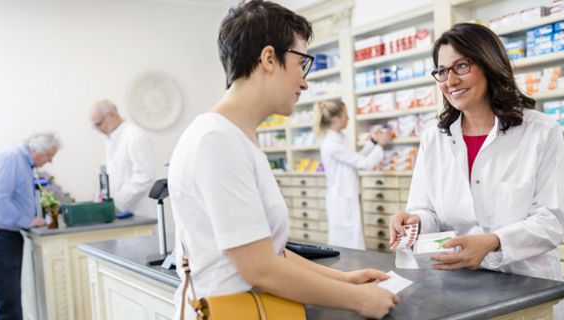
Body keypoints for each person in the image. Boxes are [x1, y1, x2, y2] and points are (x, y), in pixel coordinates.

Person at [168, 1, 399, 319]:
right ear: (268, 58)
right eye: (301, 62)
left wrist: (346, 279)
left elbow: (271, 253)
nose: (304, 81)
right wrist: (358, 299)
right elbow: (260, 269)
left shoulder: (238, 138)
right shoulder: (216, 140)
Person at [389, 23, 564, 281]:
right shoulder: (434, 138)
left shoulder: (541, 131)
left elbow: (552, 220)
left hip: (528, 283)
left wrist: (494, 242)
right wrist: (415, 221)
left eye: (461, 66)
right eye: (442, 71)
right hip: (457, 280)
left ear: (490, 64)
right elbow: (429, 212)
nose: (451, 81)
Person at [0, 132, 59, 320]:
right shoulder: (12, 158)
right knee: (6, 304)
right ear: (37, 150)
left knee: (5, 301)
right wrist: (27, 221)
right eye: (49, 155)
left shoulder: (22, 162)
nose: (49, 161)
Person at [314, 100, 393, 250]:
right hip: (341, 197)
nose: (348, 118)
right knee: (346, 241)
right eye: (345, 115)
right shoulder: (331, 142)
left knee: (350, 237)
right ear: (334, 119)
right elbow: (364, 163)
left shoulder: (338, 137)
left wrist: (373, 142)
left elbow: (354, 159)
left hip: (346, 194)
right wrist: (381, 144)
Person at [90, 99, 156, 217]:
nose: (98, 130)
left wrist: (117, 202)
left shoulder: (135, 136)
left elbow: (145, 176)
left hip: (139, 214)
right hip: (122, 214)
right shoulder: (113, 138)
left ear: (111, 115)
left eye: (98, 124)